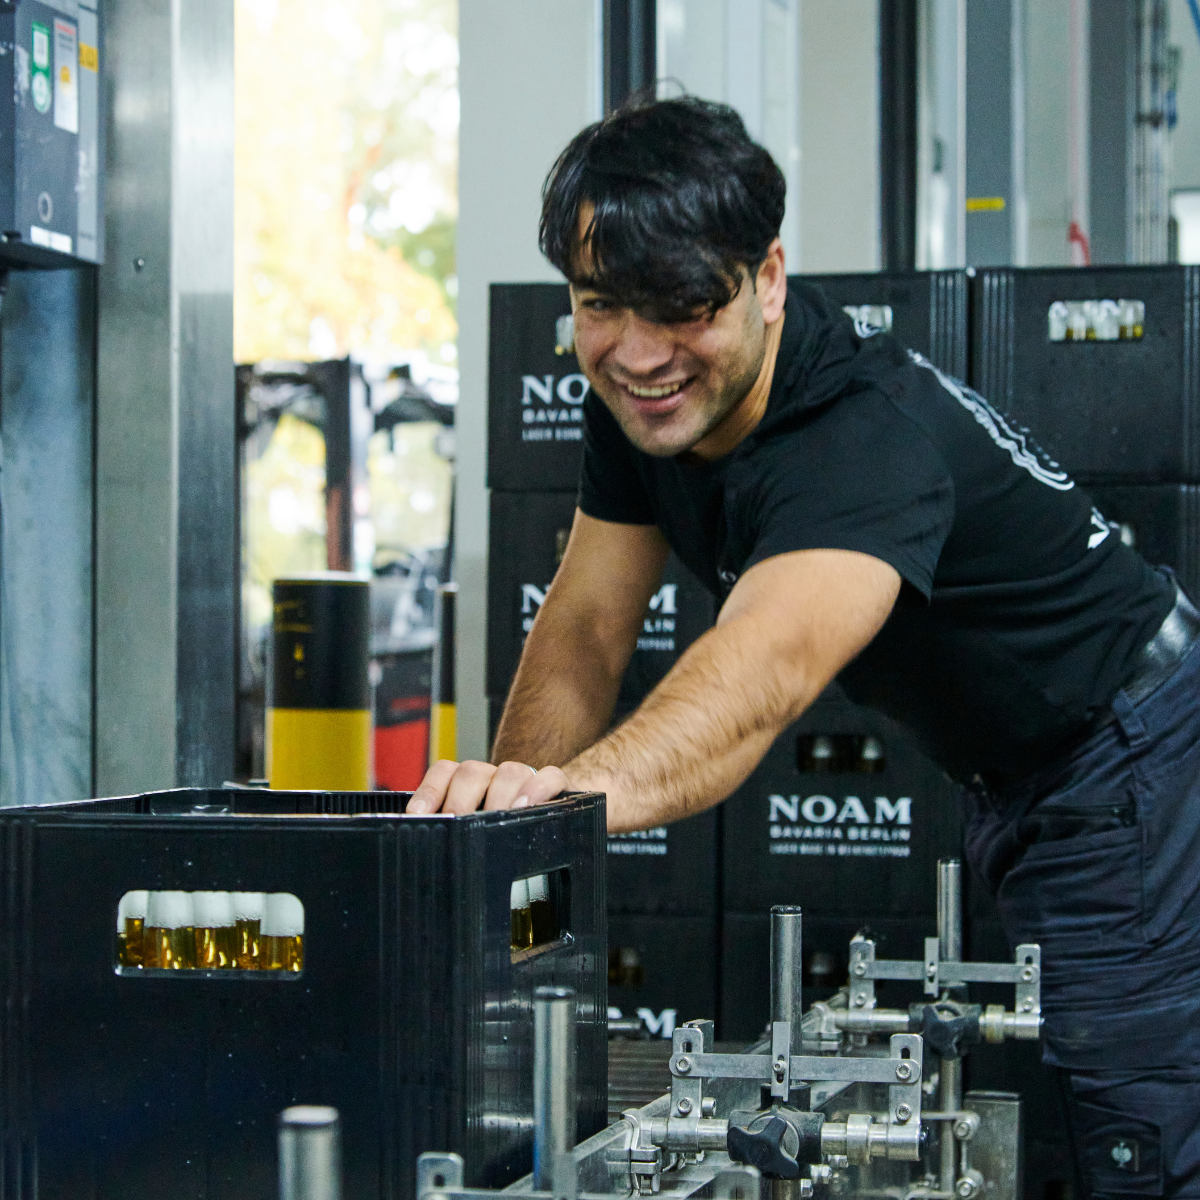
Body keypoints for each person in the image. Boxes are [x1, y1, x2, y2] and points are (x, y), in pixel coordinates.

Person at [410, 96, 1200, 1196]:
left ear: (766, 278)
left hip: (1140, 759)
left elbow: (756, 682)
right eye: (600, 306)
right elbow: (585, 624)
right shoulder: (641, 406)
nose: (636, 354)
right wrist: (504, 846)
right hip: (1028, 771)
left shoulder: (859, 444)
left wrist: (552, 796)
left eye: (680, 308)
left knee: (1140, 1129)